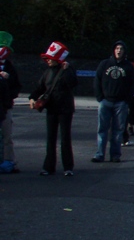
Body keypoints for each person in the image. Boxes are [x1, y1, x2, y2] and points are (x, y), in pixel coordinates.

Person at [30, 41, 78, 176]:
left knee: (65, 138)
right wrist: (32, 98)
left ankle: (68, 167)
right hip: (51, 108)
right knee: (50, 138)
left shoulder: (67, 69)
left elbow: (73, 83)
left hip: (65, 109)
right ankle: (48, 166)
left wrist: (67, 70)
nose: (47, 61)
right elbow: (40, 88)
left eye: (50, 58)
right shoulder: (47, 72)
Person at [92, 40, 134, 163]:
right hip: (105, 101)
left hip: (121, 103)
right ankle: (99, 154)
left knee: (118, 130)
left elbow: (133, 84)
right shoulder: (104, 64)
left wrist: (127, 100)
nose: (119, 50)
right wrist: (100, 97)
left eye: (121, 48)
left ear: (124, 51)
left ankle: (115, 155)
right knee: (102, 129)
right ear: (113, 50)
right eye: (117, 48)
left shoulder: (129, 66)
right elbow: (97, 80)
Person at [0, 31, 22, 168]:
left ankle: (8, 160)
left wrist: (8, 95)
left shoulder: (9, 67)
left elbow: (17, 86)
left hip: (5, 106)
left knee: (7, 135)